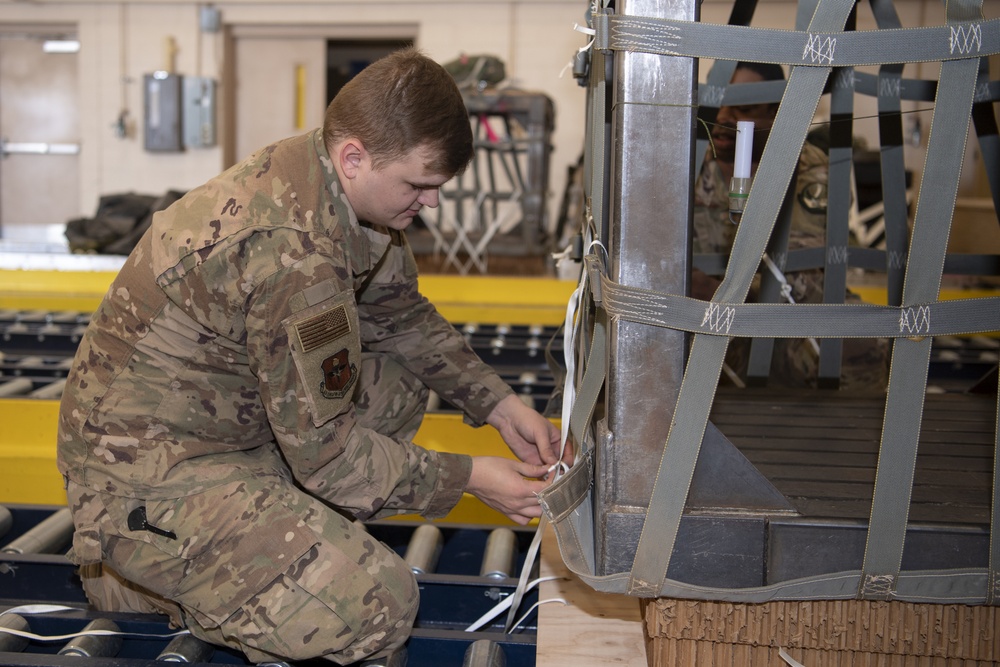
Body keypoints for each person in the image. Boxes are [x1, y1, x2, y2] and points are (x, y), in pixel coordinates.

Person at [56, 48, 563, 665]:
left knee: (395, 384)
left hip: (223, 426)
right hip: (145, 475)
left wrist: (502, 406)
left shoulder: (344, 192)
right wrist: (473, 479)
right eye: (419, 184)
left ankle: (274, 548)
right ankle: (150, 580)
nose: (430, 203)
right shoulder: (293, 249)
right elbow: (328, 459)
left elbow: (401, 317)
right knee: (379, 606)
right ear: (355, 157)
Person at [692, 62, 889, 391]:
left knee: (859, 347)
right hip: (701, 320)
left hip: (784, 319)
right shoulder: (684, 161)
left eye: (744, 107)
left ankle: (841, 435)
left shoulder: (808, 168)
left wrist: (717, 293)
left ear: (775, 113)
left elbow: (801, 278)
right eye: (718, 103)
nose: (724, 117)